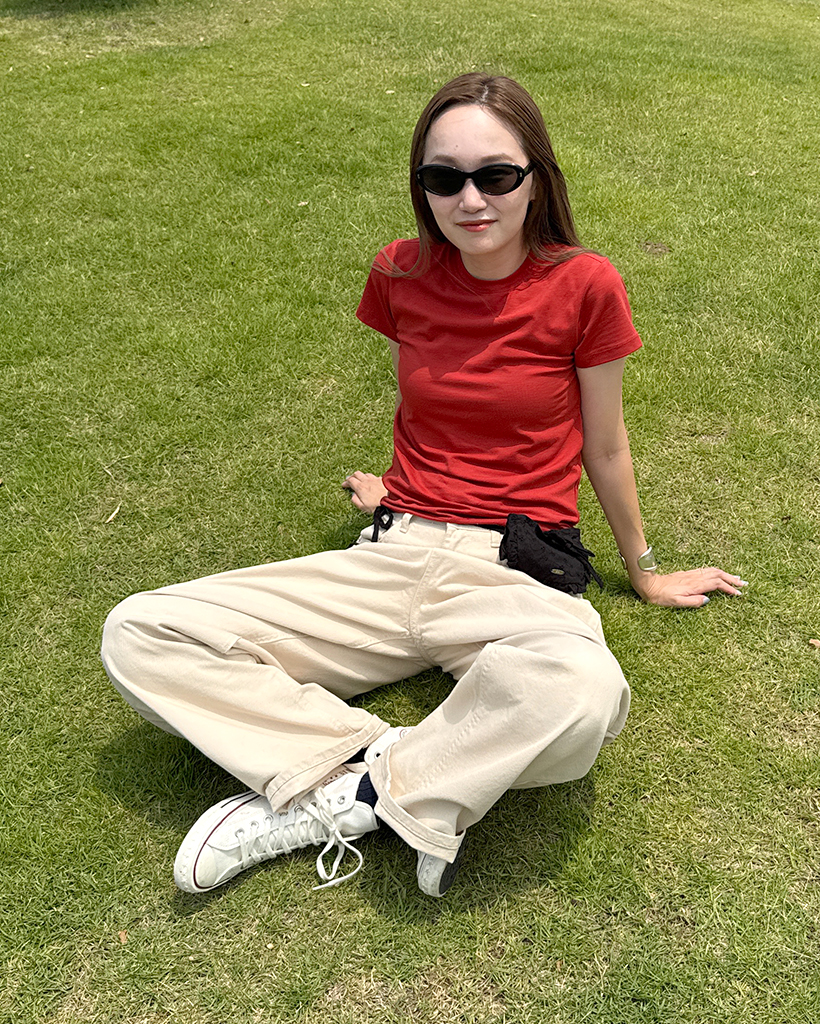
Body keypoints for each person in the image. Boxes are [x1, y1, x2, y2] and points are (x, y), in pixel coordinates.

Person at [101, 73, 746, 898]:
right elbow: (437, 398)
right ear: (422, 186)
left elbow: (606, 445)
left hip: (512, 567)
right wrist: (400, 491)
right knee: (142, 631)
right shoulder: (400, 271)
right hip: (392, 550)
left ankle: (348, 796)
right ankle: (380, 770)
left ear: (537, 177)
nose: (470, 199)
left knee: (583, 695)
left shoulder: (585, 284)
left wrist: (645, 571)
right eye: (444, 178)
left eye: (496, 175)